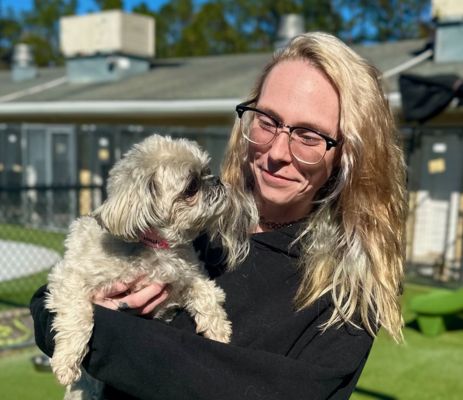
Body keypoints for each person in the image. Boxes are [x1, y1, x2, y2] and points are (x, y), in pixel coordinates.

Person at [30, 31, 407, 399]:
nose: (277, 151)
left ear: (348, 155)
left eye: (309, 136)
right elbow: (48, 302)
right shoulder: (193, 223)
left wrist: (104, 331)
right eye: (268, 120)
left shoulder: (350, 287)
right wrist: (75, 315)